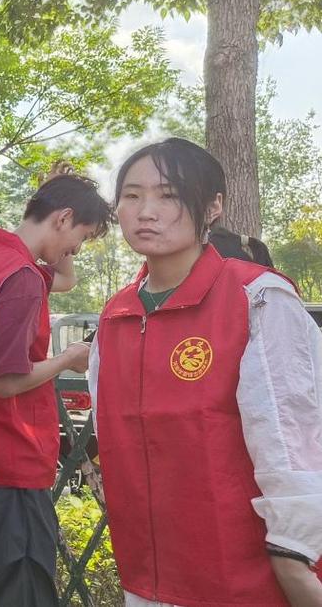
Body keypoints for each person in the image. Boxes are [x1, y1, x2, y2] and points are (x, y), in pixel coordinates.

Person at [90, 137, 322, 606]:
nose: (145, 211)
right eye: (132, 196)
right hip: (146, 574)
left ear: (213, 206)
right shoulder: (116, 315)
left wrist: (293, 552)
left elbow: (294, 435)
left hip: (245, 575)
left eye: (169, 195)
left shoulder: (255, 298)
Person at [0, 173, 112, 606]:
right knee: (23, 591)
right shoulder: (22, 278)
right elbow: (6, 380)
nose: (77, 251)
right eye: (81, 235)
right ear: (64, 218)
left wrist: (55, 210)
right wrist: (68, 359)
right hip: (15, 458)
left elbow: (65, 280)